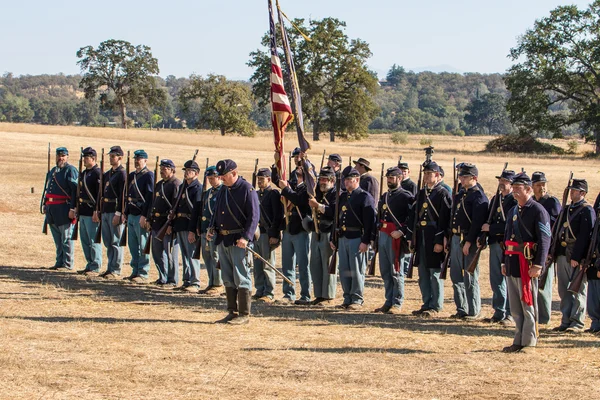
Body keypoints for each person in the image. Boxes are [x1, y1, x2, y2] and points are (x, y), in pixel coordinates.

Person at [502, 172, 551, 353]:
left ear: (529, 189)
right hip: (513, 262)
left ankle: (530, 341)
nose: (514, 192)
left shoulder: (538, 210)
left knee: (528, 303)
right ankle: (518, 339)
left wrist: (539, 264)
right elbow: (507, 238)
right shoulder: (514, 210)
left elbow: (545, 239)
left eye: (518, 189)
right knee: (515, 305)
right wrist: (503, 261)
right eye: (513, 188)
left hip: (527, 263)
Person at [207, 159, 259, 325]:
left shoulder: (247, 189)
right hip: (224, 238)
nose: (221, 179)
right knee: (228, 276)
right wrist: (212, 227)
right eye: (220, 176)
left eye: (224, 176)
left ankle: (244, 314)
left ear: (234, 173)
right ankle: (232, 311)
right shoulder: (223, 190)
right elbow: (217, 211)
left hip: (239, 240)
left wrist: (246, 237)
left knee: (242, 276)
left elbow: (254, 216)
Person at [409, 161, 451, 317]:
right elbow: (414, 217)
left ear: (438, 175)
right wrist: (412, 238)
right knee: (423, 273)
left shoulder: (443, 193)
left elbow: (445, 219)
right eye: (425, 173)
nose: (426, 176)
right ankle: (426, 303)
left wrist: (440, 240)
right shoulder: (421, 193)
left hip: (434, 236)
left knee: (434, 273)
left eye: (429, 173)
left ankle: (436, 305)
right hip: (421, 237)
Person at [331, 166, 376, 310]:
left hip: (357, 237)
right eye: (345, 180)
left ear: (357, 180)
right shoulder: (343, 196)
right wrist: (334, 238)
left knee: (356, 270)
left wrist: (366, 241)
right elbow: (336, 219)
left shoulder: (364, 197)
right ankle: (347, 297)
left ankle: (357, 299)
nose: (346, 183)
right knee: (344, 270)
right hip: (343, 237)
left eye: (349, 180)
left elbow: (370, 222)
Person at [553, 178, 594, 333]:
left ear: (582, 193)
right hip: (563, 254)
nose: (571, 192)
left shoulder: (586, 210)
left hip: (576, 256)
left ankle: (577, 321)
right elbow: (558, 232)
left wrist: (578, 257)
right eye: (571, 190)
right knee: (564, 290)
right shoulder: (567, 209)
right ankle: (566, 319)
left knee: (577, 290)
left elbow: (585, 236)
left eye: (575, 190)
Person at [449, 163, 489, 319]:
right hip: (455, 238)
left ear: (474, 178)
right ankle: (461, 308)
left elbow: (477, 223)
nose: (461, 179)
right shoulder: (460, 195)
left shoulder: (479, 197)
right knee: (456, 277)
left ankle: (473, 310)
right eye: (460, 176)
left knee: (470, 276)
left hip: (467, 240)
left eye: (465, 177)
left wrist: (469, 241)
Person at [374, 166, 414, 314]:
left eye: (392, 178)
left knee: (396, 270)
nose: (389, 180)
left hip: (396, 236)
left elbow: (411, 218)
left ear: (400, 178)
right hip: (384, 235)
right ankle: (388, 300)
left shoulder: (406, 196)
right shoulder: (385, 196)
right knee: (385, 271)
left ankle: (397, 302)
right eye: (388, 178)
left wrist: (402, 231)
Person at [480, 170, 517, 325]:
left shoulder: (514, 202)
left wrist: (491, 229)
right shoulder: (496, 199)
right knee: (496, 280)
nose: (501, 183)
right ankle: (499, 311)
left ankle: (510, 313)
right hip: (495, 243)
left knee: (508, 280)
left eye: (505, 180)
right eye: (500, 180)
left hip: (506, 244)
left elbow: (510, 225)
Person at [278, 167, 312, 305]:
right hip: (288, 228)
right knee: (287, 265)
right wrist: (277, 164)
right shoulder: (291, 187)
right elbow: (278, 181)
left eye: (297, 175)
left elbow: (298, 200)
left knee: (303, 265)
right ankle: (288, 292)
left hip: (300, 230)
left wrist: (286, 189)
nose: (294, 177)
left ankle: (305, 294)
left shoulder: (307, 188)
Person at [531, 171, 561, 325]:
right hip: (532, 249)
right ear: (532, 186)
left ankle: (543, 318)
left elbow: (554, 229)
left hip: (546, 250)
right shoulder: (531, 202)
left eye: (543, 184)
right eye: (538, 185)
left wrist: (549, 251)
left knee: (543, 286)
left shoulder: (552, 202)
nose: (542, 188)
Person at [42, 146, 78, 270]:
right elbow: (48, 189)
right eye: (59, 156)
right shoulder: (53, 171)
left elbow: (75, 191)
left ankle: (67, 263)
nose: (60, 158)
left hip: (64, 208)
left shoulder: (70, 170)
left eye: (63, 156)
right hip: (52, 209)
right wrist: (45, 204)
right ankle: (59, 262)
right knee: (58, 239)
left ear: (67, 157)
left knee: (66, 238)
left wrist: (73, 208)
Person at [190, 166, 224, 295]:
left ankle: (218, 283)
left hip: (215, 231)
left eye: (212, 178)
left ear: (218, 177)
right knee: (207, 257)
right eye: (209, 178)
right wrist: (199, 227)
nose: (210, 181)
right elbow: (201, 212)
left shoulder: (223, 191)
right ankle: (211, 282)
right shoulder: (208, 193)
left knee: (215, 257)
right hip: (205, 229)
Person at [148, 159, 181, 287]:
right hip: (157, 222)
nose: (162, 170)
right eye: (161, 168)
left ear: (172, 169)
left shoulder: (176, 184)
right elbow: (154, 203)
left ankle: (172, 280)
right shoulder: (160, 184)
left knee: (170, 254)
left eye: (165, 168)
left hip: (166, 223)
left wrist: (171, 225)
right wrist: (150, 219)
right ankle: (163, 277)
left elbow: (176, 207)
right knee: (157, 252)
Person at [308, 167, 338, 306]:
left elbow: (333, 212)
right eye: (320, 179)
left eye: (324, 179)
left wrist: (318, 206)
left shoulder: (336, 194)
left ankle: (328, 296)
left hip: (328, 232)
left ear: (332, 181)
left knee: (328, 265)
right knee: (315, 264)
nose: (321, 182)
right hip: (317, 231)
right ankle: (319, 294)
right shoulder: (317, 193)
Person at [123, 149, 154, 283]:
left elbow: (150, 197)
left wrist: (145, 215)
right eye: (136, 159)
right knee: (133, 245)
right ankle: (135, 270)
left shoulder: (148, 175)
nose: (137, 161)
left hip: (141, 214)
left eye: (139, 159)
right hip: (131, 213)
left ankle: (143, 272)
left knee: (142, 245)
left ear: (145, 160)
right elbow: (127, 195)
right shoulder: (131, 175)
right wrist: (125, 212)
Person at [253, 167, 283, 302]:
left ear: (269, 180)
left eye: (262, 179)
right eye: (258, 179)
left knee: (267, 264)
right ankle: (260, 289)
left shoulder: (273, 194)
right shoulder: (256, 194)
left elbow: (277, 216)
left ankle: (269, 292)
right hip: (257, 234)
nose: (259, 182)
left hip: (267, 233)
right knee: (257, 264)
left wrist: (275, 234)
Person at [173, 160, 203, 292]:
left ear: (196, 173)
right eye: (185, 171)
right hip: (180, 224)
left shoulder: (197, 188)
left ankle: (195, 281)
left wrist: (193, 230)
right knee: (184, 254)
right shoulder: (183, 187)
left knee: (191, 254)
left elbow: (196, 211)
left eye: (189, 171)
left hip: (189, 225)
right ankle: (187, 280)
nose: (186, 173)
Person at [98, 146, 126, 279]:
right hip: (106, 208)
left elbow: (122, 195)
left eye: (113, 156)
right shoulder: (108, 174)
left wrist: (119, 213)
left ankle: (115, 269)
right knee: (108, 241)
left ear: (120, 157)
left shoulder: (122, 174)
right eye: (110, 156)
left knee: (116, 241)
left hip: (115, 210)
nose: (111, 158)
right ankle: (110, 267)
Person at [75, 147, 102, 276]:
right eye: (84, 158)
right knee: (85, 240)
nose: (84, 160)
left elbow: (99, 195)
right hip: (83, 210)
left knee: (93, 240)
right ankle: (89, 263)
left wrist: (97, 210)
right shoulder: (84, 173)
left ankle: (95, 265)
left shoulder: (97, 173)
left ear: (93, 159)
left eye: (86, 158)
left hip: (92, 211)